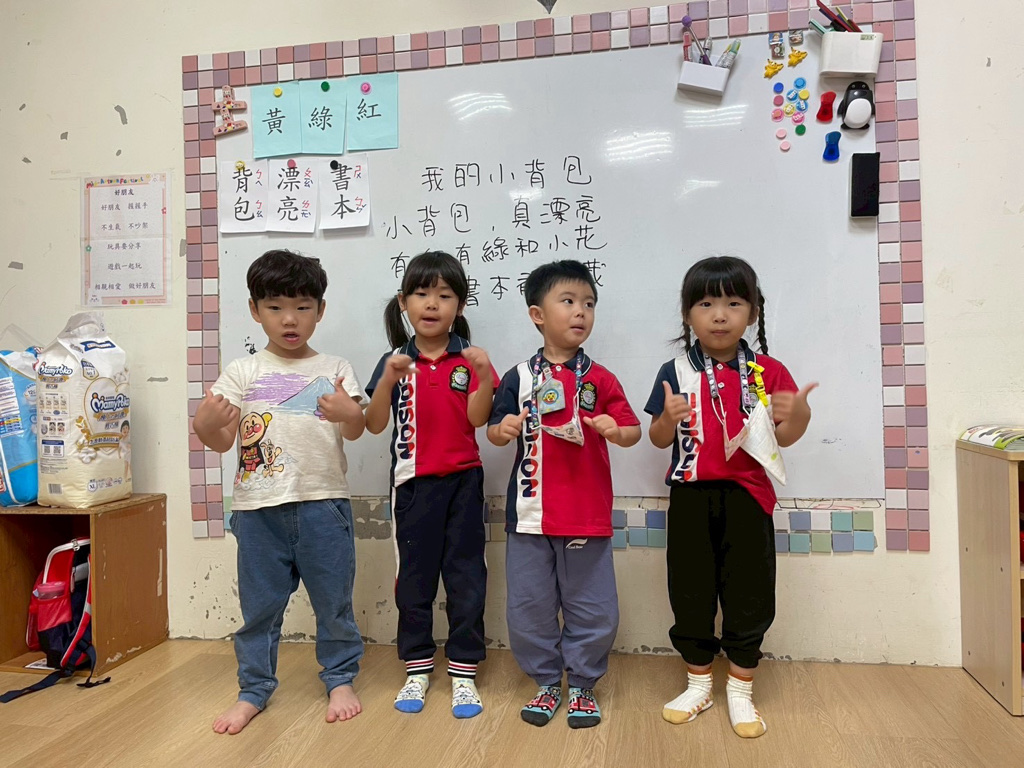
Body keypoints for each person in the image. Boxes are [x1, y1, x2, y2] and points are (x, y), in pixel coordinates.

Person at [194, 250, 366, 734]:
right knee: (259, 610)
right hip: (257, 512)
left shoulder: (335, 367)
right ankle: (253, 690)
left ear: (320, 310)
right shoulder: (241, 371)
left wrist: (350, 413)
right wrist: (204, 424)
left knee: (333, 603)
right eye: (275, 307)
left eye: (303, 307)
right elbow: (221, 439)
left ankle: (340, 679)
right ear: (255, 310)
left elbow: (356, 430)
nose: (290, 319)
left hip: (323, 506)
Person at [644, 255, 816, 738]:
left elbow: (786, 437)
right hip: (690, 496)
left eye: (733, 303)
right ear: (687, 314)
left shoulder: (767, 370)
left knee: (750, 593)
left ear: (753, 312)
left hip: (748, 497)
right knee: (690, 590)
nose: (719, 315)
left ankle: (741, 690)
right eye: (706, 304)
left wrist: (799, 412)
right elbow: (657, 439)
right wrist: (667, 419)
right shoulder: (675, 370)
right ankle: (698, 685)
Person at [488, 259, 641, 729]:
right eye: (569, 301)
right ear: (537, 314)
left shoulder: (601, 378)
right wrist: (503, 429)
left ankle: (582, 685)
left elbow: (633, 430)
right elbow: (493, 429)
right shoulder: (517, 377)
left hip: (586, 517)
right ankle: (545, 683)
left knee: (593, 609)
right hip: (529, 516)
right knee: (528, 609)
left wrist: (617, 431)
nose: (581, 312)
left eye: (589, 304)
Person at [365, 251, 497, 719]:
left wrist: (484, 375)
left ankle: (463, 673)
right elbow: (374, 424)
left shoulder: (470, 358)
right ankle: (417, 668)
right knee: (414, 581)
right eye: (422, 293)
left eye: (444, 295)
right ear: (404, 302)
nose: (432, 303)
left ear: (460, 305)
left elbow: (477, 419)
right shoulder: (395, 360)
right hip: (413, 486)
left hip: (464, 482)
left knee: (467, 578)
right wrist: (386, 381)